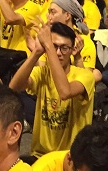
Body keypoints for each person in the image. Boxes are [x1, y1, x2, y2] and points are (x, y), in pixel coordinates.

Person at [9, 21, 95, 157]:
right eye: (54, 46)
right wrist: (36, 53)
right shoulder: (42, 72)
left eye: (64, 48)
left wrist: (49, 46)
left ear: (73, 50)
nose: (58, 53)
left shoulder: (85, 76)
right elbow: (13, 88)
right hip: (40, 155)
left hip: (70, 157)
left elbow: (65, 92)